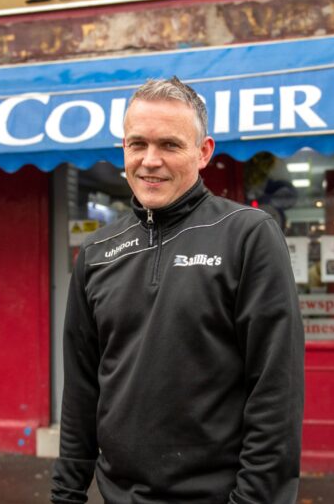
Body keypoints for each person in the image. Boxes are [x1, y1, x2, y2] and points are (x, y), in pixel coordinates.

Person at [51, 77, 304, 503]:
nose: (150, 161)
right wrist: (66, 494)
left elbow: (275, 393)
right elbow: (81, 391)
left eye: (169, 145)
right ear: (124, 150)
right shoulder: (97, 252)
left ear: (203, 153)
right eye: (138, 145)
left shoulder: (246, 236)